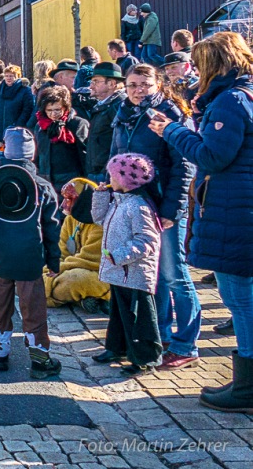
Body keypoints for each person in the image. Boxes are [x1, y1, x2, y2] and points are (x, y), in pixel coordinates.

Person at [151, 32, 253, 409]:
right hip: (242, 206)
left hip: (236, 211)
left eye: (198, 64)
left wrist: (174, 131)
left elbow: (212, 157)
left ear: (214, 64)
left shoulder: (229, 101)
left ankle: (246, 388)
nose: (193, 72)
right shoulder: (245, 94)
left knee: (239, 300)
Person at [112, 64, 199, 372]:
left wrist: (171, 211)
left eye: (145, 84)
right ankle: (160, 336)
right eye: (133, 84)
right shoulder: (123, 114)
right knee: (153, 277)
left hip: (164, 205)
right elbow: (115, 159)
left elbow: (184, 165)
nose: (138, 89)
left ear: (157, 84)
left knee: (174, 274)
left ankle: (186, 343)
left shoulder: (170, 114)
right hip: (136, 206)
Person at [0, 127, 62, 379]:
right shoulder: (42, 186)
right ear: (32, 154)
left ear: (5, 152)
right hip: (30, 257)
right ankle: (39, 359)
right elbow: (51, 229)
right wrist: (53, 261)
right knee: (33, 308)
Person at [90, 153, 164, 376]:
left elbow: (147, 241)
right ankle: (116, 347)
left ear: (124, 179)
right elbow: (99, 219)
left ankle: (145, 358)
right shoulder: (118, 201)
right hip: (120, 271)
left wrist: (118, 256)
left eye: (112, 177)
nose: (109, 180)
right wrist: (101, 196)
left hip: (134, 272)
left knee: (140, 317)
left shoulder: (138, 206)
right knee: (119, 313)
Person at [44, 179, 109, 313]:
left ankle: (45, 295)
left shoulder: (100, 223)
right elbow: (61, 251)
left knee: (75, 279)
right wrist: (52, 267)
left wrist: (55, 271)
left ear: (83, 201)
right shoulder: (71, 219)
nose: (63, 205)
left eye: (69, 199)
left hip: (98, 275)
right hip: (69, 268)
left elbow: (88, 260)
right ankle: (79, 299)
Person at [32, 86, 89, 192]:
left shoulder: (77, 124)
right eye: (49, 110)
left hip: (71, 179)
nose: (53, 114)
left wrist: (84, 183)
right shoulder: (40, 126)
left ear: (65, 108)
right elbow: (37, 154)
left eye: (57, 110)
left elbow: (85, 155)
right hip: (45, 180)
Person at [84, 62, 126, 182]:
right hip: (95, 171)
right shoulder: (102, 105)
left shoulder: (119, 107)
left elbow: (120, 145)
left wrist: (107, 173)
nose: (91, 86)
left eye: (96, 81)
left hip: (107, 175)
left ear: (112, 84)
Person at [0, 65, 35, 148]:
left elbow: (27, 109)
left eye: (11, 76)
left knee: (13, 156)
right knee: (0, 155)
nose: (8, 78)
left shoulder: (24, 90)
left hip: (16, 132)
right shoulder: (0, 90)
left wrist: (18, 125)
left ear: (17, 76)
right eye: (6, 76)